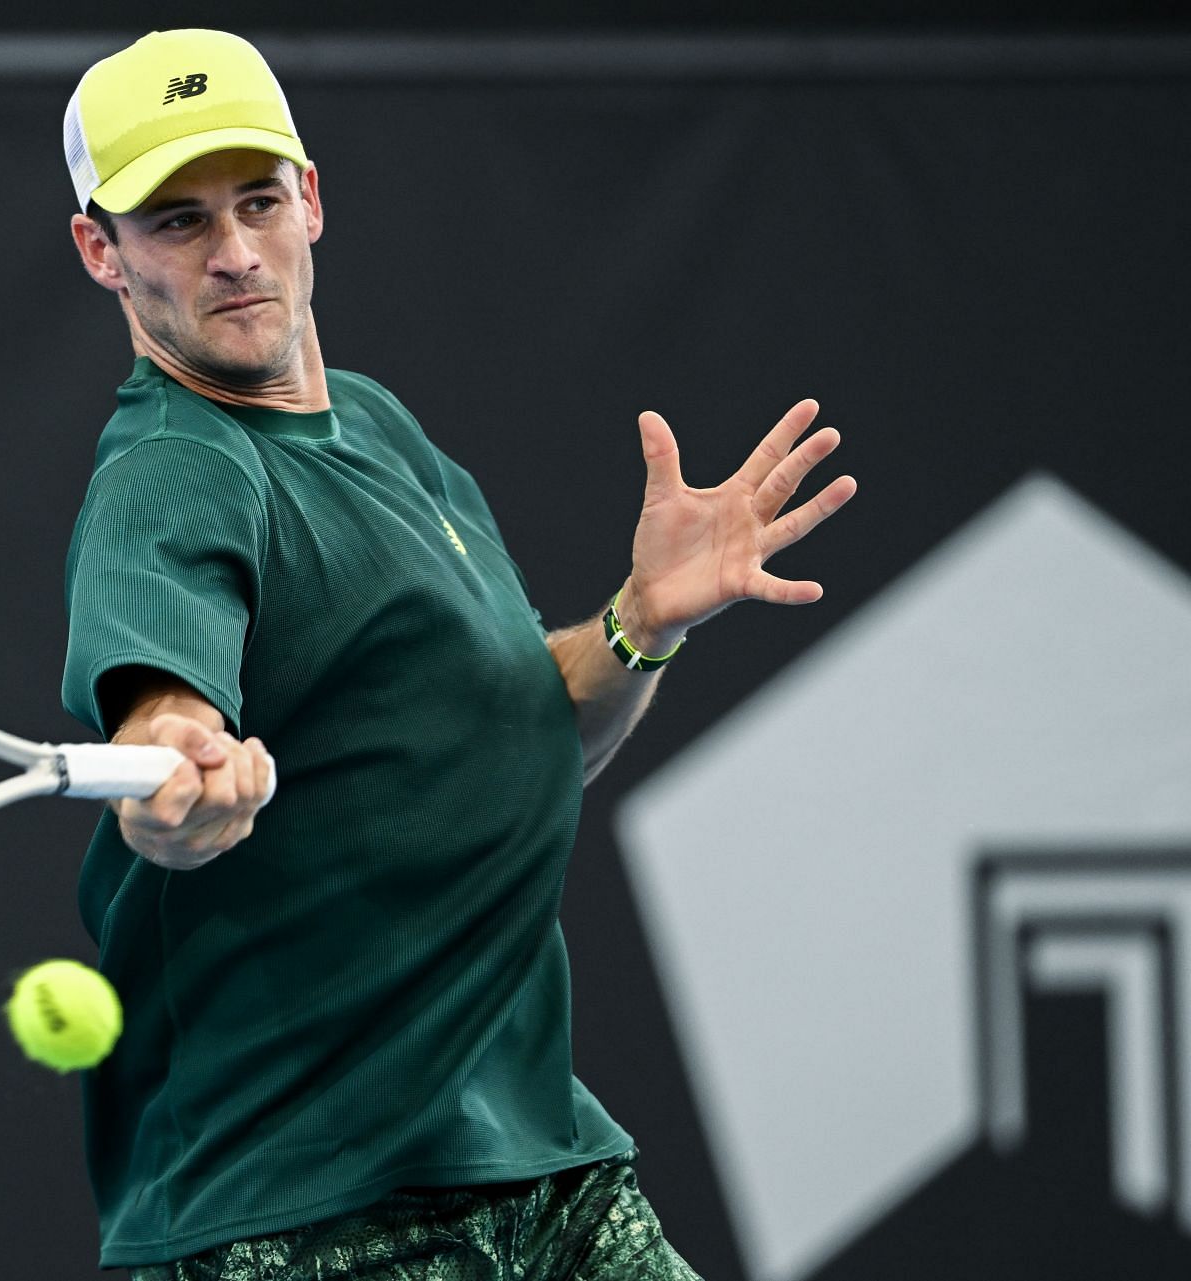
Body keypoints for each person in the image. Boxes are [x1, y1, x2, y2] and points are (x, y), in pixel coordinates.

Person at [58, 29, 855, 1281]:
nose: (233, 251)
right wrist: (176, 774)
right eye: (174, 221)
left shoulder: (377, 426)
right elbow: (162, 724)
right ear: (102, 251)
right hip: (310, 1212)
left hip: (542, 1159)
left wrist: (640, 624)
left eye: (258, 200)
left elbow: (519, 738)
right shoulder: (176, 472)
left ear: (310, 201)